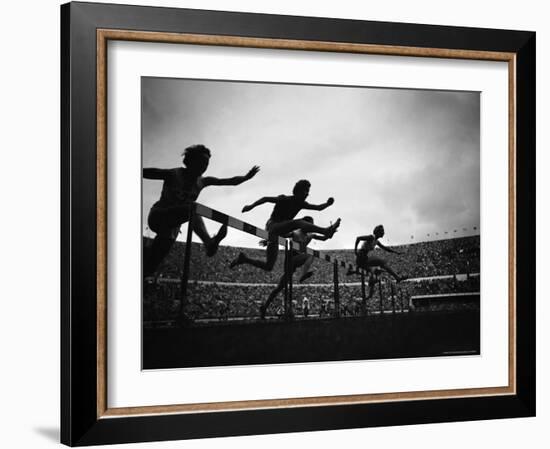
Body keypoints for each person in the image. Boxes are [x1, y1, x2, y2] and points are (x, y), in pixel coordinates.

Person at [143, 144, 259, 277]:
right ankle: (208, 242)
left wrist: (246, 177)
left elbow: (228, 181)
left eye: (207, 164)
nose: (204, 167)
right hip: (158, 215)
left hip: (171, 228)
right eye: (201, 163)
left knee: (151, 266)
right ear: (190, 161)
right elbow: (147, 172)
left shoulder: (202, 182)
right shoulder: (173, 174)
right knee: (194, 208)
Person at [229, 179, 341, 272]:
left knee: (269, 266)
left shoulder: (301, 204)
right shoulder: (285, 199)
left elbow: (317, 208)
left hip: (280, 232)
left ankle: (244, 259)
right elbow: (265, 199)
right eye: (305, 191)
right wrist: (251, 206)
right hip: (273, 225)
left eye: (308, 191)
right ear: (297, 192)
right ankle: (325, 230)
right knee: (298, 223)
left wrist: (327, 204)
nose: (307, 194)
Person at [258, 216, 332, 319]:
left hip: (296, 260)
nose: (311, 227)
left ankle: (264, 307)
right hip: (290, 258)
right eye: (309, 225)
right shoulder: (296, 232)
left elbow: (324, 238)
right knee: (311, 254)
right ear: (303, 224)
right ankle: (302, 275)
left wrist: (330, 232)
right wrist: (269, 241)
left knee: (280, 287)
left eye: (312, 225)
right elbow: (284, 235)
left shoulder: (311, 235)